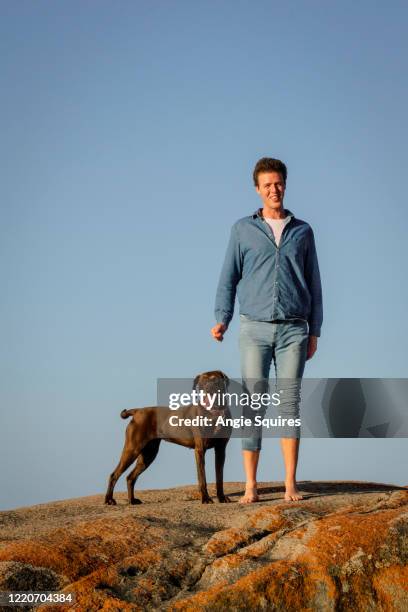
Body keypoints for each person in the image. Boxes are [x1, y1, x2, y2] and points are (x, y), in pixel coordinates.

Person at [211, 157, 323, 503]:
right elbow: (228, 277)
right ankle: (251, 486)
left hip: (294, 330)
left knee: (290, 403)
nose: (274, 189)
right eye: (267, 185)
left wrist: (315, 329)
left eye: (279, 183)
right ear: (257, 189)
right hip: (254, 329)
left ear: (285, 185)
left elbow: (315, 283)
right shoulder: (242, 229)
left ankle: (290, 484)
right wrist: (222, 317)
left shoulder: (302, 230)